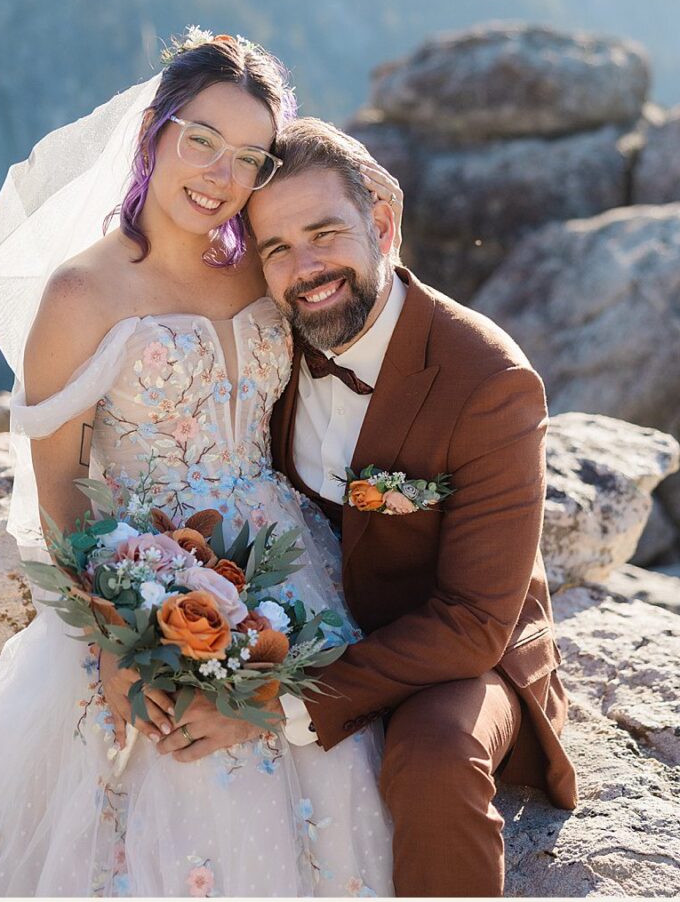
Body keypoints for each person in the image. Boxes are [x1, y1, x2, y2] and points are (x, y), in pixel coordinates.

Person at [0, 30, 395, 897]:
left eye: (250, 159)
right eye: (203, 141)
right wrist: (114, 641)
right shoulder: (82, 293)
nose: (221, 175)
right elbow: (58, 491)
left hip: (289, 571)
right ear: (155, 128)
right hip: (142, 586)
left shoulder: (262, 273)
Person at [227, 117, 578, 896]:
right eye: (277, 248)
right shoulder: (267, 346)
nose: (305, 269)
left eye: (325, 234)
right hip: (301, 628)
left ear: (381, 226)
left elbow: (474, 622)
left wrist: (297, 700)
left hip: (454, 659)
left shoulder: (488, 381)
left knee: (433, 761)